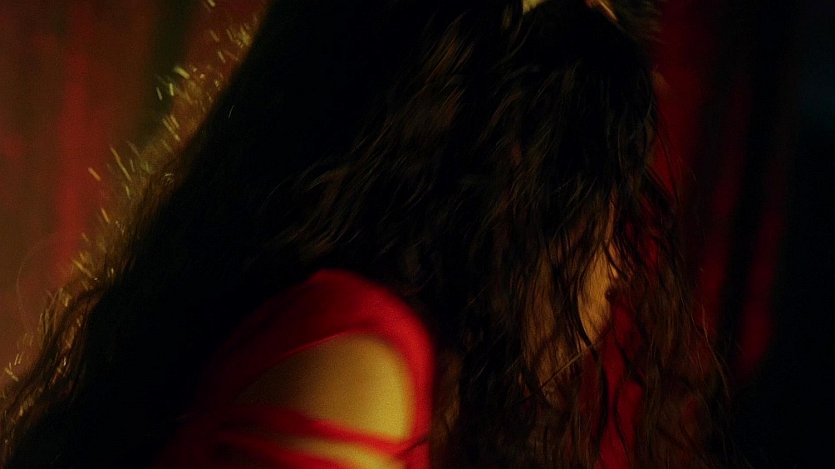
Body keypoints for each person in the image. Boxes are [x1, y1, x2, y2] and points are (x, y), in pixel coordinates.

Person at [0, 0, 724, 467]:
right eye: (600, 206)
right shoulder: (359, 358)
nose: (617, 265)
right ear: (516, 191)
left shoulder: (366, 347)